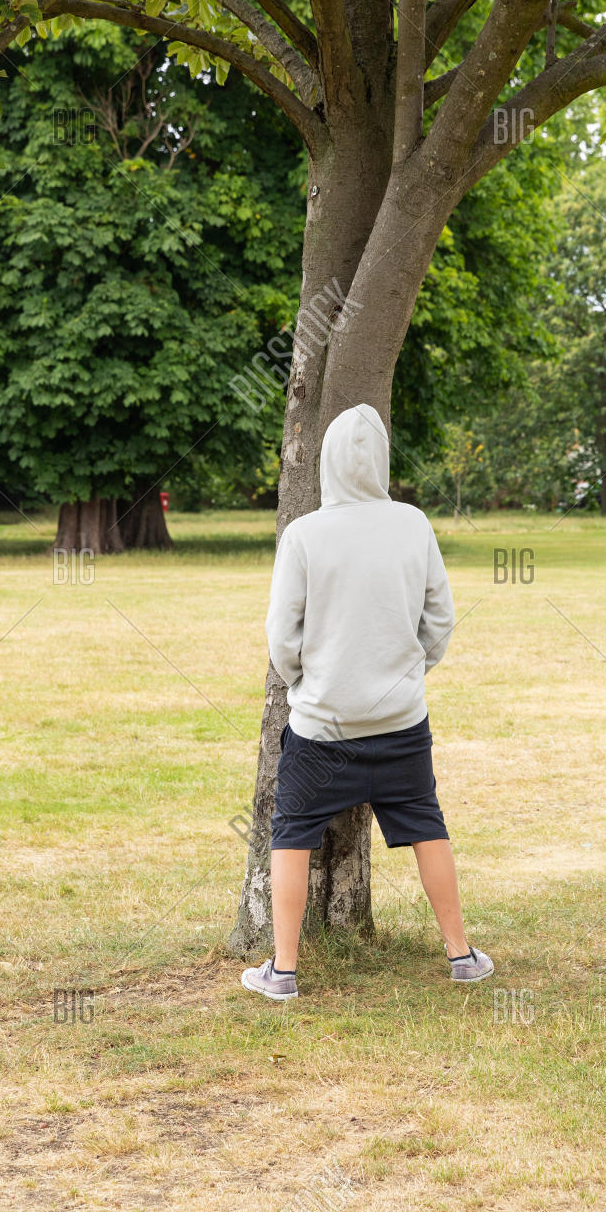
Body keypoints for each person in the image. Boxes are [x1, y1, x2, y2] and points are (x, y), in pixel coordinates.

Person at [240, 403, 494, 1001]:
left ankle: (283, 970)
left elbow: (282, 635)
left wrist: (307, 683)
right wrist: (407, 672)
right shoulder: (414, 524)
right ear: (382, 459)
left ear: (325, 461)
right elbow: (441, 621)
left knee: (292, 833)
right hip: (402, 722)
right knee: (427, 823)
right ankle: (461, 954)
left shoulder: (303, 534)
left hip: (321, 728)